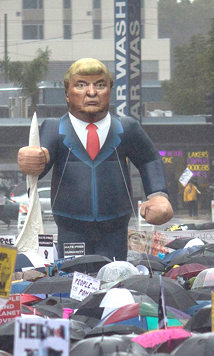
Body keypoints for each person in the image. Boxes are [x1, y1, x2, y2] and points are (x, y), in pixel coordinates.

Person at [16, 58, 172, 260]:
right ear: (67, 94)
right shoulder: (54, 128)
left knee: (113, 275)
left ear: (109, 91)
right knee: (73, 275)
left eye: (100, 85)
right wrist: (32, 159)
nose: (91, 92)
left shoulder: (127, 127)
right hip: (71, 225)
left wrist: (158, 194)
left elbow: (149, 159)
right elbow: (40, 164)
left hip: (115, 226)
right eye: (81, 85)